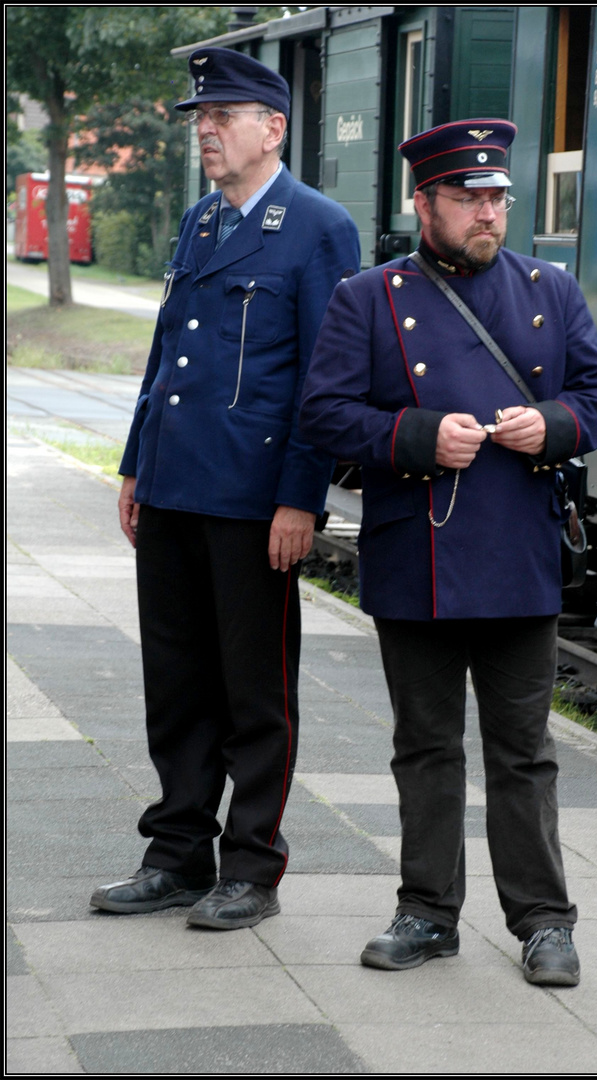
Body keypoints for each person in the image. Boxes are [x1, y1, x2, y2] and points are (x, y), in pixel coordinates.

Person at [299, 119, 597, 984]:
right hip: (419, 554)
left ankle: (544, 921)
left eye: (496, 199)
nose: (487, 213)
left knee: (523, 751)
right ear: (423, 202)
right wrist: (416, 436)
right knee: (425, 746)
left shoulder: (549, 287)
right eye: (468, 198)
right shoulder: (366, 297)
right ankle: (426, 912)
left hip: (518, 552)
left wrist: (549, 424)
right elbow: (324, 416)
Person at [91, 48, 360, 930]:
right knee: (174, 684)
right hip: (173, 486)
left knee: (254, 692)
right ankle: (175, 853)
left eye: (222, 116)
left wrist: (299, 499)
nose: (204, 130)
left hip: (251, 499)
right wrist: (137, 465)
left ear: (272, 127)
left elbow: (325, 382)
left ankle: (251, 867)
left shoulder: (317, 226)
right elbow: (166, 356)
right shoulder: (202, 221)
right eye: (199, 118)